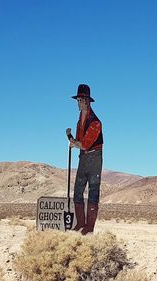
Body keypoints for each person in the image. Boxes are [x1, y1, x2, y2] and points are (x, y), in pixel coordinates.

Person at [66, 84, 103, 235]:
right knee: (78, 190)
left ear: (87, 101)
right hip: (84, 156)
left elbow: (85, 144)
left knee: (93, 190)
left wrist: (72, 141)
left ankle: (90, 227)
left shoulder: (95, 122)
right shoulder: (79, 121)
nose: (79, 103)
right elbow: (80, 142)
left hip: (94, 156)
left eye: (81, 100)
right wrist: (72, 140)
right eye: (78, 100)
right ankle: (81, 223)